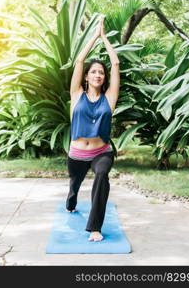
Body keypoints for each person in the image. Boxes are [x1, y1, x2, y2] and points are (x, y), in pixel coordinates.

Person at [66, 16, 120, 242]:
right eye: (94, 72)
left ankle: (94, 228)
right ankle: (71, 199)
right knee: (74, 185)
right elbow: (79, 61)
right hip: (77, 154)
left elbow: (115, 64)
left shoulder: (109, 98)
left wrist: (105, 38)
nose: (98, 74)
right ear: (87, 77)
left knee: (101, 176)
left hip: (101, 152)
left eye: (101, 72)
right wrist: (94, 36)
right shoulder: (76, 94)